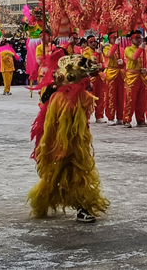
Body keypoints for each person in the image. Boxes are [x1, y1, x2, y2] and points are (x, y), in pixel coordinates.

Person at [28, 52, 109, 223]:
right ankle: (45, 201)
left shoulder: (79, 95)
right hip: (58, 144)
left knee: (78, 174)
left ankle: (82, 207)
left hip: (76, 144)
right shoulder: (57, 96)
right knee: (54, 175)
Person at [122, 30, 147, 128]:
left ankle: (140, 120)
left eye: (139, 38)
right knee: (130, 99)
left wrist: (145, 69)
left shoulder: (144, 49)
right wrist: (141, 49)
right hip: (132, 76)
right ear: (131, 39)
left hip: (141, 76)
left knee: (141, 100)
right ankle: (127, 119)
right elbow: (134, 57)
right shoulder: (128, 49)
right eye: (136, 38)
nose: (138, 40)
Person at [82, 35, 106, 123]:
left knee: (100, 96)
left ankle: (99, 116)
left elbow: (103, 64)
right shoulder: (85, 51)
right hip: (90, 76)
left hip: (99, 76)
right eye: (91, 42)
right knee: (89, 97)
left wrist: (101, 66)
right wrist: (96, 54)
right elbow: (87, 62)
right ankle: (86, 116)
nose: (93, 43)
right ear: (88, 43)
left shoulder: (98, 51)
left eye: (94, 41)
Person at [103, 31, 125, 126]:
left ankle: (120, 117)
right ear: (110, 39)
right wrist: (115, 45)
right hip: (111, 73)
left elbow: (126, 61)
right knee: (111, 96)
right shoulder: (106, 48)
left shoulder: (122, 49)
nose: (115, 39)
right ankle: (110, 117)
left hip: (121, 74)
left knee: (121, 97)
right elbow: (109, 54)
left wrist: (123, 62)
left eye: (116, 37)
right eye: (113, 37)